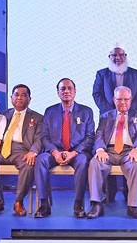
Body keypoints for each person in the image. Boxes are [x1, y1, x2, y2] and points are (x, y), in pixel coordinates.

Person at [0, 84, 43, 218]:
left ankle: (18, 202)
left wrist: (33, 152)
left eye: (24, 95)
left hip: (22, 151)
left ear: (30, 99)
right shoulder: (2, 115)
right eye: (16, 95)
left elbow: (40, 138)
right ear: (11, 97)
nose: (19, 98)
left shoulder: (37, 117)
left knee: (29, 164)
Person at [34, 78, 94, 218]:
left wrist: (74, 152)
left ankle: (78, 203)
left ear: (75, 91)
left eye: (69, 88)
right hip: (55, 151)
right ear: (58, 93)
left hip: (77, 152)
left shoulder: (86, 111)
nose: (66, 91)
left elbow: (90, 137)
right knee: (41, 160)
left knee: (83, 161)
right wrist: (55, 152)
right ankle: (44, 203)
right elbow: (44, 137)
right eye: (63, 89)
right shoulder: (50, 111)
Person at [86, 86, 137, 219]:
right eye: (119, 99)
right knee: (94, 162)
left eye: (126, 99)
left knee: (136, 164)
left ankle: (133, 206)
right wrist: (100, 149)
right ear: (114, 100)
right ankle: (96, 204)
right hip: (109, 150)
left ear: (131, 100)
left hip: (130, 151)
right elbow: (99, 134)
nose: (123, 102)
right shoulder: (105, 116)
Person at [92, 45, 137, 114]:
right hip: (108, 115)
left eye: (121, 55)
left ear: (125, 56)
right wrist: (112, 112)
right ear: (109, 57)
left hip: (132, 115)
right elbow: (97, 94)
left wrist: (129, 110)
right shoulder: (102, 74)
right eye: (114, 55)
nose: (117, 58)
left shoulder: (136, 74)